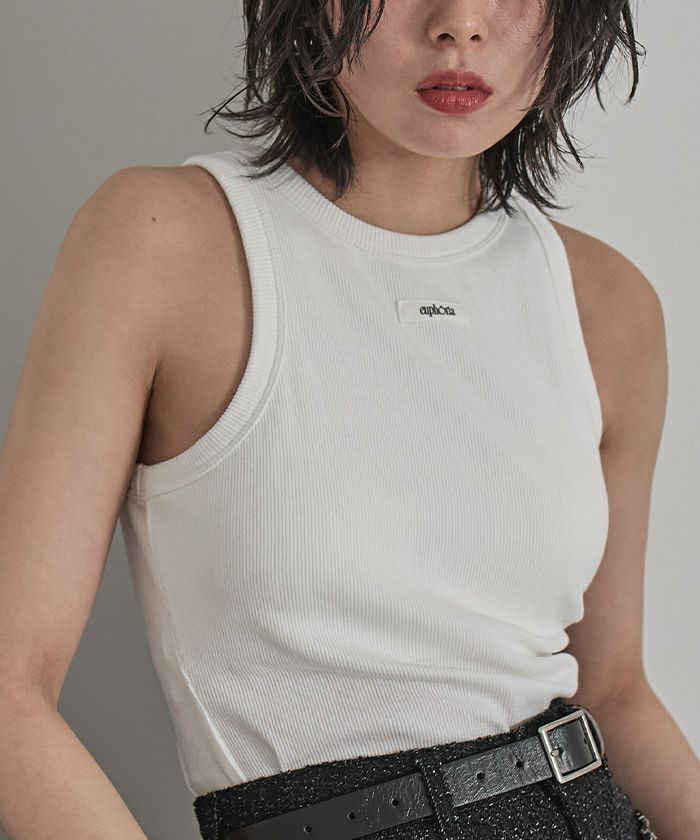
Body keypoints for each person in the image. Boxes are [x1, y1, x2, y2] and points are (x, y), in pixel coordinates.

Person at [1, 1, 698, 838]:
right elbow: (9, 690)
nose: (460, 23)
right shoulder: (163, 241)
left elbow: (614, 690)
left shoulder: (608, 305)